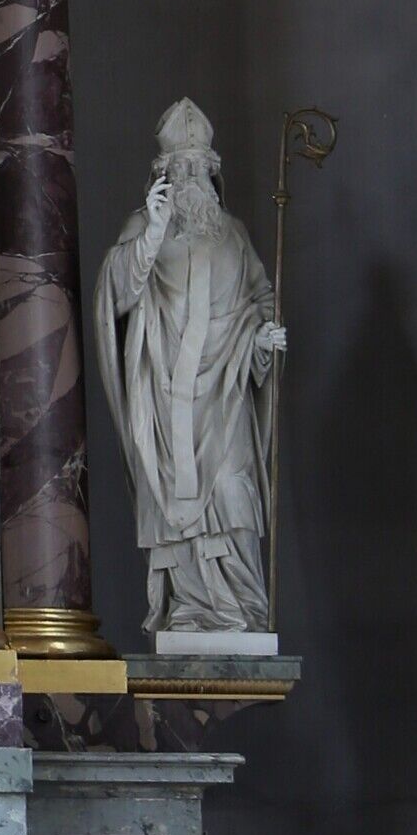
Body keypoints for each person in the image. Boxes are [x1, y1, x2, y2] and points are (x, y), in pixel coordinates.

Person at [92, 100, 286, 639]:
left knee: (232, 490)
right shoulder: (144, 229)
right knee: (177, 500)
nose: (190, 179)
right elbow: (118, 297)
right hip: (165, 398)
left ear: (213, 171)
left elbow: (261, 299)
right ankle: (188, 611)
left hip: (226, 394)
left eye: (199, 169)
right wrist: (152, 233)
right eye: (179, 171)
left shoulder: (235, 234)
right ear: (162, 177)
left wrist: (263, 338)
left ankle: (241, 613)